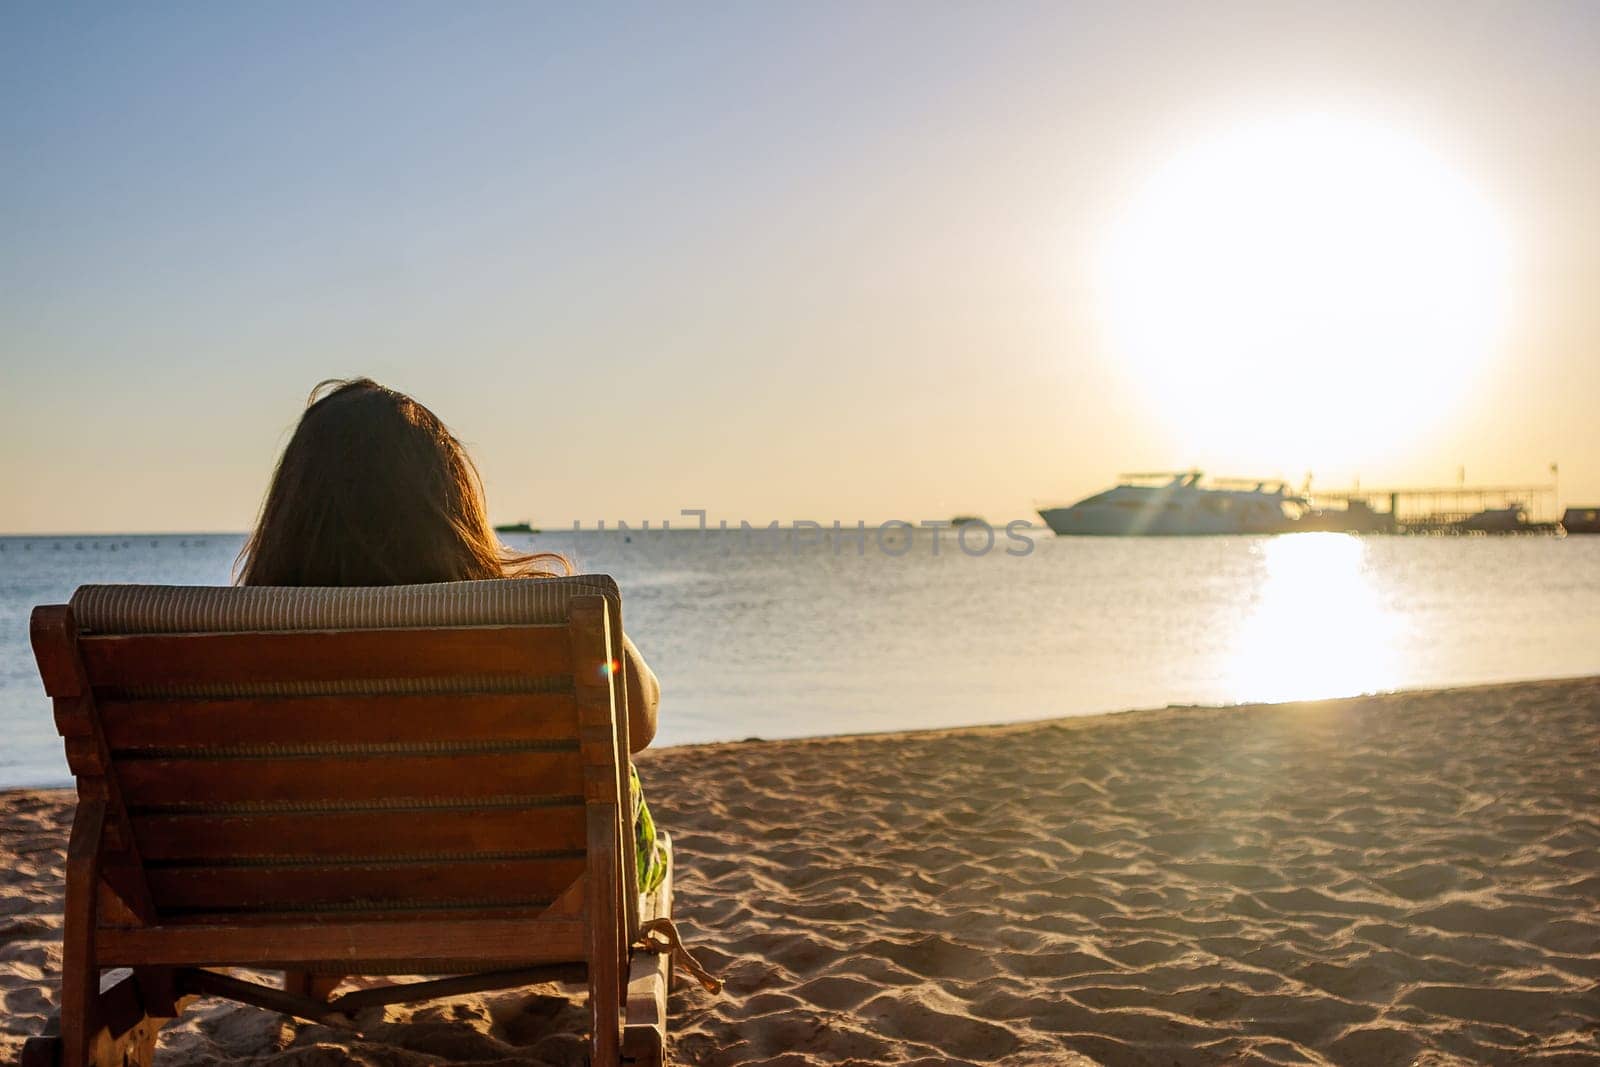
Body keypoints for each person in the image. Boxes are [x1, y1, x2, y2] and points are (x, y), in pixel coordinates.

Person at [236, 377, 666, 892]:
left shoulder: (231, 641)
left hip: (306, 893)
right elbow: (638, 724)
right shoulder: (541, 615)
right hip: (536, 894)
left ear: (289, 512)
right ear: (452, 504)